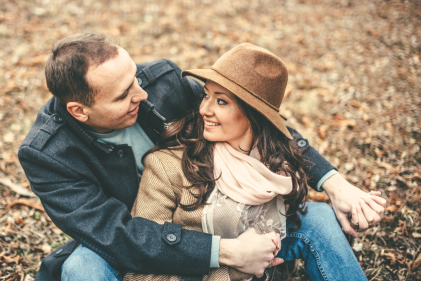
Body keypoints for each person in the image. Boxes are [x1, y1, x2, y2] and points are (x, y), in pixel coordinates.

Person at [17, 33, 386, 281]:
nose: (142, 94)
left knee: (318, 218)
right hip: (134, 235)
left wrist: (332, 182)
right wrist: (223, 252)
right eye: (123, 94)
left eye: (135, 78)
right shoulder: (48, 155)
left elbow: (255, 118)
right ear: (79, 111)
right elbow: (118, 235)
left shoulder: (160, 81)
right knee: (82, 267)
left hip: (210, 210)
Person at [124, 43, 370, 281]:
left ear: (255, 116)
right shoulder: (167, 166)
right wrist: (235, 265)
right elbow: (141, 262)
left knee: (320, 218)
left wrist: (337, 187)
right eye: (206, 95)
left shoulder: (276, 166)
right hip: (204, 270)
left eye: (221, 101)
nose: (204, 109)